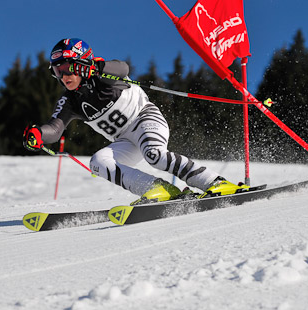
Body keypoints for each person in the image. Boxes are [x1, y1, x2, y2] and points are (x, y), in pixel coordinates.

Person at [23, 38, 248, 204]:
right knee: (98, 161)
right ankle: (159, 189)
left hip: (145, 118)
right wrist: (38, 134)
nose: (63, 76)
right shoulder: (70, 101)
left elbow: (123, 69)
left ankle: (214, 182)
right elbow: (54, 128)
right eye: (57, 71)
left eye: (66, 68)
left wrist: (96, 67)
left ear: (81, 62)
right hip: (125, 140)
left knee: (154, 154)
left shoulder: (102, 74)